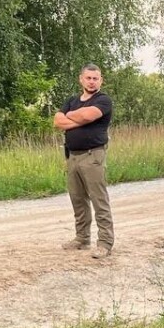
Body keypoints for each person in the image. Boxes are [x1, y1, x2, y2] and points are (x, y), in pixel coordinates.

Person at [54, 63, 114, 259]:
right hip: (73, 156)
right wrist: (77, 118)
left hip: (93, 155)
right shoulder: (72, 100)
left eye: (95, 78)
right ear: (81, 79)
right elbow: (57, 121)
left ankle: (105, 242)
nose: (91, 81)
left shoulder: (103, 100)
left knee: (99, 199)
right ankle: (82, 238)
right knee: (77, 199)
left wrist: (71, 117)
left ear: (100, 80)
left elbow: (89, 115)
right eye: (88, 78)